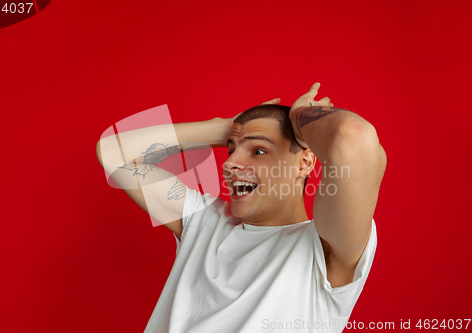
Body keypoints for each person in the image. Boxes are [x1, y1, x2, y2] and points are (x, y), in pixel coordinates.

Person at [96, 83, 387, 332]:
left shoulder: (323, 247)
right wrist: (224, 128)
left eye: (258, 151)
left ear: (305, 162)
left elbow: (353, 137)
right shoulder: (204, 222)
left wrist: (301, 117)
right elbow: (112, 152)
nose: (229, 163)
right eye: (231, 149)